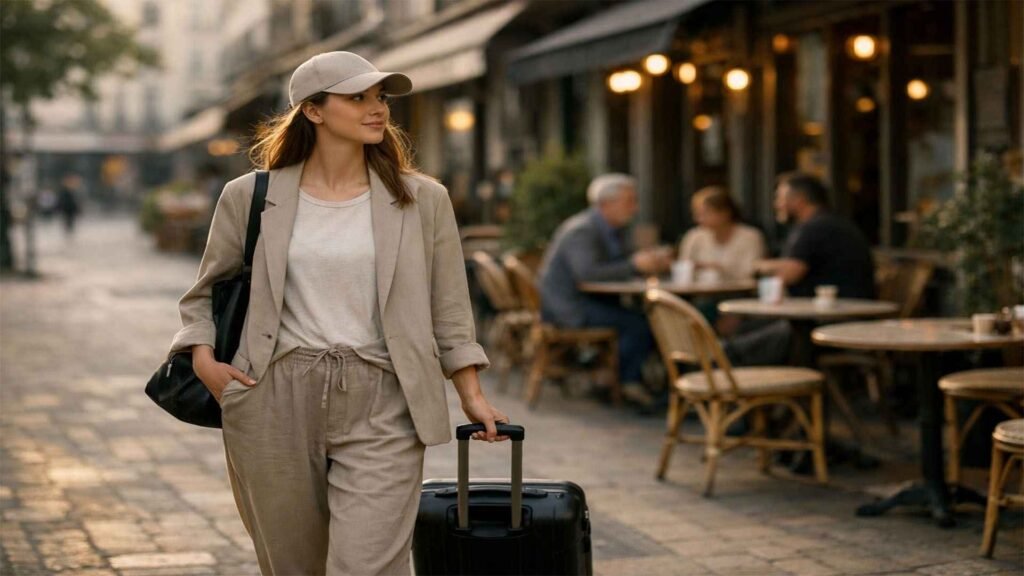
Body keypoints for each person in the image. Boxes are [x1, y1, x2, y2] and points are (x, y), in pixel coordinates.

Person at [167, 51, 507, 575]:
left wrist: (472, 394)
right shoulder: (249, 197)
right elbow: (204, 292)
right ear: (314, 111)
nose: (377, 110)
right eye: (357, 98)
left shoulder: (422, 199)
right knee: (293, 565)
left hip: (384, 396)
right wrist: (205, 361)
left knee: (366, 565)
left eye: (380, 98)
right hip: (274, 395)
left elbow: (449, 306)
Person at [538, 173, 671, 404]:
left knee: (647, 317)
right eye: (629, 201)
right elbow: (587, 274)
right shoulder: (582, 230)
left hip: (591, 300)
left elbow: (616, 265)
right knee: (639, 324)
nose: (635, 208)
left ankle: (621, 377)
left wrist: (645, 262)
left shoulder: (610, 229)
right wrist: (634, 265)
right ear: (606, 204)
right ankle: (626, 382)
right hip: (569, 308)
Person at [725, 172, 875, 366]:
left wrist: (761, 266)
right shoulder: (828, 223)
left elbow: (791, 273)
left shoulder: (813, 228)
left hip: (829, 324)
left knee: (734, 350)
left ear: (798, 200)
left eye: (780, 197)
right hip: (830, 319)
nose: (776, 204)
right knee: (744, 331)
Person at [678, 186, 766, 281]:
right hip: (699, 293)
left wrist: (719, 269)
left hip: (740, 293)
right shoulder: (694, 236)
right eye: (697, 214)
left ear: (725, 212)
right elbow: (683, 269)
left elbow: (752, 272)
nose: (699, 219)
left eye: (706, 213)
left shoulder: (750, 236)